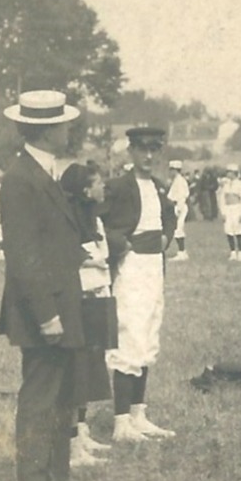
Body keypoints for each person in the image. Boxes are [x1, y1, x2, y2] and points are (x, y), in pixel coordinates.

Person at [0, 90, 90, 481]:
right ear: (48, 131)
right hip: (44, 307)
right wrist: (47, 314)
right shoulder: (20, 180)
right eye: (65, 124)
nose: (70, 129)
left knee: (62, 394)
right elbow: (23, 256)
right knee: (40, 396)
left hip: (61, 300)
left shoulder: (41, 171)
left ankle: (57, 477)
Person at [102, 126, 179, 440]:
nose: (148, 156)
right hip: (131, 268)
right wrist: (123, 244)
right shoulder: (119, 186)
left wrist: (165, 237)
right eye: (142, 149)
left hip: (153, 268)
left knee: (148, 333)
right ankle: (121, 422)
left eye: (154, 150)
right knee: (130, 335)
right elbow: (96, 221)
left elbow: (170, 216)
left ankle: (138, 413)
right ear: (131, 152)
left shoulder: (160, 188)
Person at [59, 162, 116, 467]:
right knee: (77, 368)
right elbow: (70, 256)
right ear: (85, 189)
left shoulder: (94, 219)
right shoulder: (70, 221)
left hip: (97, 295)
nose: (103, 187)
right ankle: (71, 443)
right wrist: (91, 263)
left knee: (92, 365)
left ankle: (81, 431)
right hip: (80, 298)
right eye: (98, 183)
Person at [219, 164, 241, 263]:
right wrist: (223, 212)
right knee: (228, 230)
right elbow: (222, 199)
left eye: (230, 172)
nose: (228, 174)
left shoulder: (240, 184)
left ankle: (240, 253)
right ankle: (232, 252)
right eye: (227, 172)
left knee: (238, 230)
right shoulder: (225, 185)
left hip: (237, 208)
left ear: (234, 173)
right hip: (228, 209)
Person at [166, 159, 191, 261]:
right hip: (176, 206)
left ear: (175, 170)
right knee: (177, 229)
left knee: (178, 229)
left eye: (171, 170)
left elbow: (181, 196)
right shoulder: (176, 180)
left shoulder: (180, 181)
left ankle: (182, 252)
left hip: (179, 206)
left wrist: (178, 209)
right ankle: (182, 252)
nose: (170, 172)